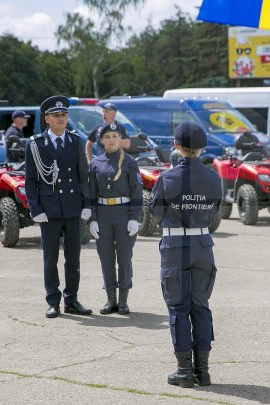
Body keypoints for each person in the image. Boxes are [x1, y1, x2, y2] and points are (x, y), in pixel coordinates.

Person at [148, 122, 222, 388]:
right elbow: (214, 211)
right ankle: (203, 371)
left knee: (179, 308)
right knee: (200, 305)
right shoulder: (214, 177)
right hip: (203, 245)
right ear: (201, 148)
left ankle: (184, 371)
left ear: (176, 146)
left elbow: (155, 213)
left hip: (176, 246)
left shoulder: (166, 179)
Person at [24, 95, 93, 318]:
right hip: (49, 210)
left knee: (73, 258)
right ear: (47, 119)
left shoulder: (75, 141)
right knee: (50, 258)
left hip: (72, 208)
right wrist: (35, 208)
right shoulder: (35, 144)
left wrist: (87, 204)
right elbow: (31, 180)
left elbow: (83, 176)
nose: (61, 119)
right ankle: (53, 300)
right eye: (56, 115)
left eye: (64, 115)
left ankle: (71, 299)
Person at [87, 122, 143, 315]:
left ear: (120, 139)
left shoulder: (129, 162)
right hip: (102, 214)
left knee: (125, 257)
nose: (111, 140)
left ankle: (124, 300)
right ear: (101, 140)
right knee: (106, 257)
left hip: (123, 213)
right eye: (107, 137)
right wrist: (91, 219)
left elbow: (137, 191)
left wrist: (134, 217)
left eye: (115, 136)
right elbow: (90, 194)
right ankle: (111, 300)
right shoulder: (95, 163)